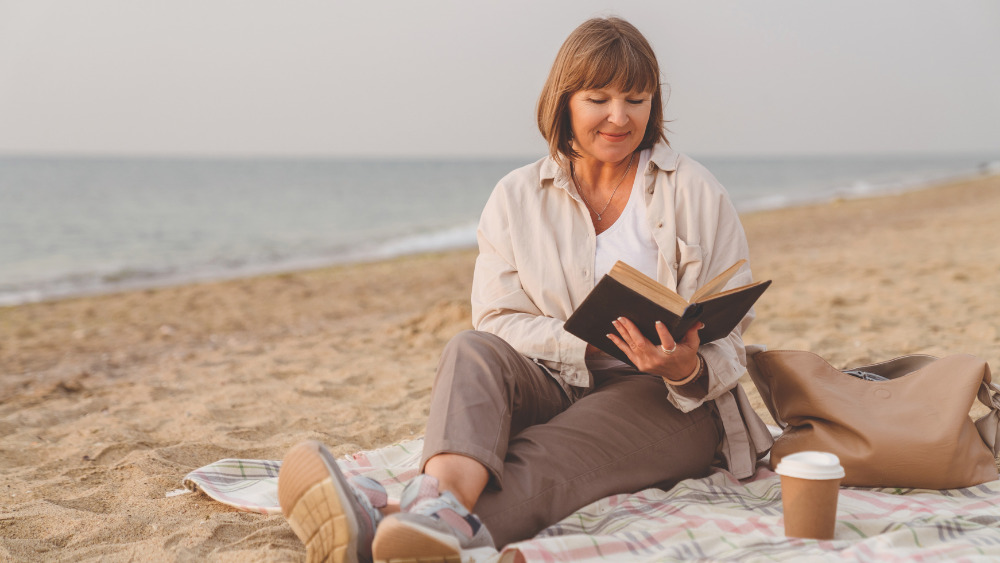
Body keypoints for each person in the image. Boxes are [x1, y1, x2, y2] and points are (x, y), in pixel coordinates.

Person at [276, 16, 773, 563]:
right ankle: (434, 507)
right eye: (598, 97)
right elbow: (496, 318)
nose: (619, 116)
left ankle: (389, 526)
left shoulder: (697, 192)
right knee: (471, 349)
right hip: (556, 377)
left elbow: (730, 331)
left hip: (669, 401)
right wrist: (584, 345)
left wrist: (682, 367)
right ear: (565, 102)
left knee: (547, 455)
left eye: (636, 98)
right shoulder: (515, 196)